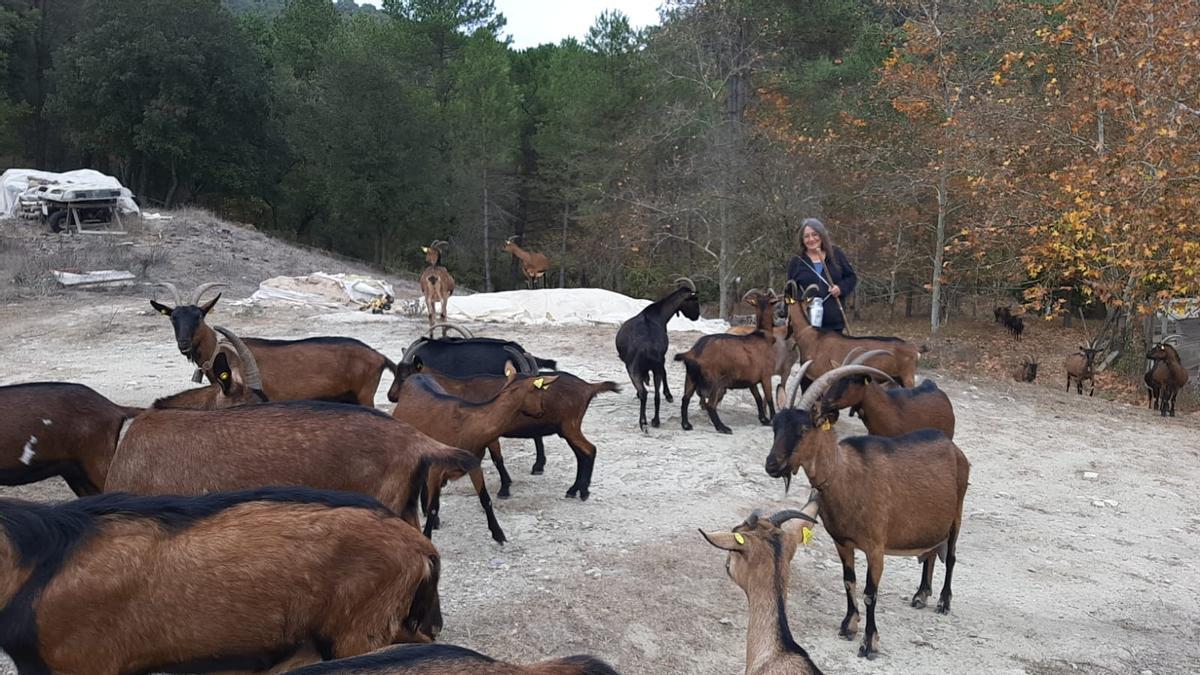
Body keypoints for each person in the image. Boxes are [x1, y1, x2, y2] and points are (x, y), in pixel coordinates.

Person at [786, 217, 857, 333]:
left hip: (833, 323)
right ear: (802, 240)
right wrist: (789, 314)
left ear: (822, 235)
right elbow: (789, 293)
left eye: (815, 234)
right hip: (806, 325)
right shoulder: (796, 261)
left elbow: (851, 277)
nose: (811, 239)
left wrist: (840, 288)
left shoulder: (836, 255)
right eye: (806, 236)